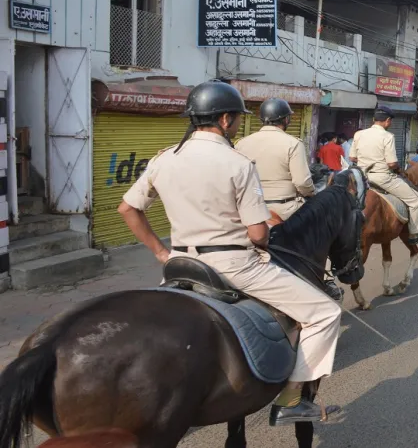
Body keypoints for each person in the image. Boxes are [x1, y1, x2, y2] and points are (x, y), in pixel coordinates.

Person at [117, 81, 341, 424]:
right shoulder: (238, 163)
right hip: (234, 266)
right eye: (237, 118)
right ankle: (292, 400)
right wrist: (262, 239)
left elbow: (127, 209)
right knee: (325, 313)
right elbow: (258, 234)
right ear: (224, 119)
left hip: (180, 265)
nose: (237, 124)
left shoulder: (164, 159)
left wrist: (161, 253)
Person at [352, 105, 418, 243]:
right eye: (390, 122)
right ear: (388, 121)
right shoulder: (388, 136)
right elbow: (391, 164)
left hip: (360, 177)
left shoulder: (358, 134)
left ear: (373, 119)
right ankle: (416, 233)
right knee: (416, 199)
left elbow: (352, 158)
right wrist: (397, 168)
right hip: (382, 178)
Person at [235, 97, 314, 221]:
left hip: (250, 209)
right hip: (285, 211)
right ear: (286, 119)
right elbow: (302, 182)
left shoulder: (241, 143)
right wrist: (312, 193)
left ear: (262, 119)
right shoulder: (293, 144)